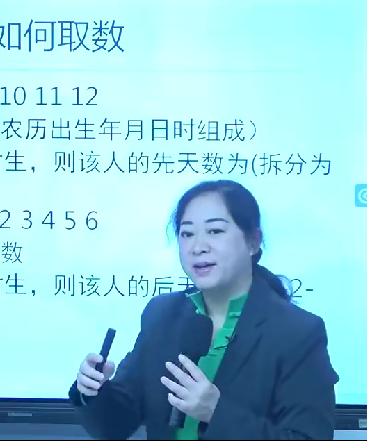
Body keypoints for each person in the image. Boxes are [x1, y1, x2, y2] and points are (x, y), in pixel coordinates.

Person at [69, 179, 339, 440]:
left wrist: (215, 413)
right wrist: (92, 391)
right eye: (187, 234)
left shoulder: (297, 332)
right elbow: (115, 427)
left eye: (215, 231)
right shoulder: (162, 315)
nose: (198, 247)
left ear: (253, 241)